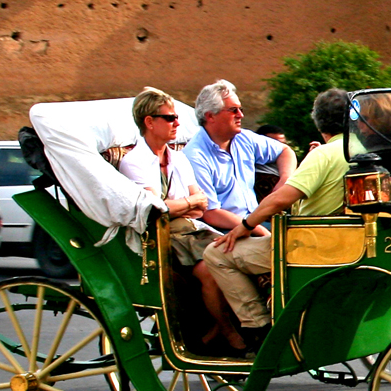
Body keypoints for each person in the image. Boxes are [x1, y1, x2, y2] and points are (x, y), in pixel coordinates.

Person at [116, 88, 240, 350]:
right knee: (211, 268)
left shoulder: (179, 159)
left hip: (192, 229)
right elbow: (156, 211)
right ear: (149, 122)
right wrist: (185, 204)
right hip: (161, 237)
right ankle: (225, 331)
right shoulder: (134, 163)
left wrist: (179, 206)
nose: (177, 123)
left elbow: (200, 205)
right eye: (170, 118)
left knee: (238, 253)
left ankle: (224, 326)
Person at [187, 79, 296, 353]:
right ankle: (241, 328)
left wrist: (285, 178)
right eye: (233, 110)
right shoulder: (196, 154)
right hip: (221, 230)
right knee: (215, 263)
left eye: (240, 109)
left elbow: (285, 151)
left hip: (253, 221)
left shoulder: (244, 139)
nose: (241, 115)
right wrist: (258, 228)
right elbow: (210, 212)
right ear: (210, 116)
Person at [242, 89, 370, 233]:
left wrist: (244, 227)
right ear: (355, 119)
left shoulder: (323, 154)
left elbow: (279, 201)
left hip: (310, 241)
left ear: (318, 122)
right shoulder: (366, 150)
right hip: (353, 237)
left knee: (216, 252)